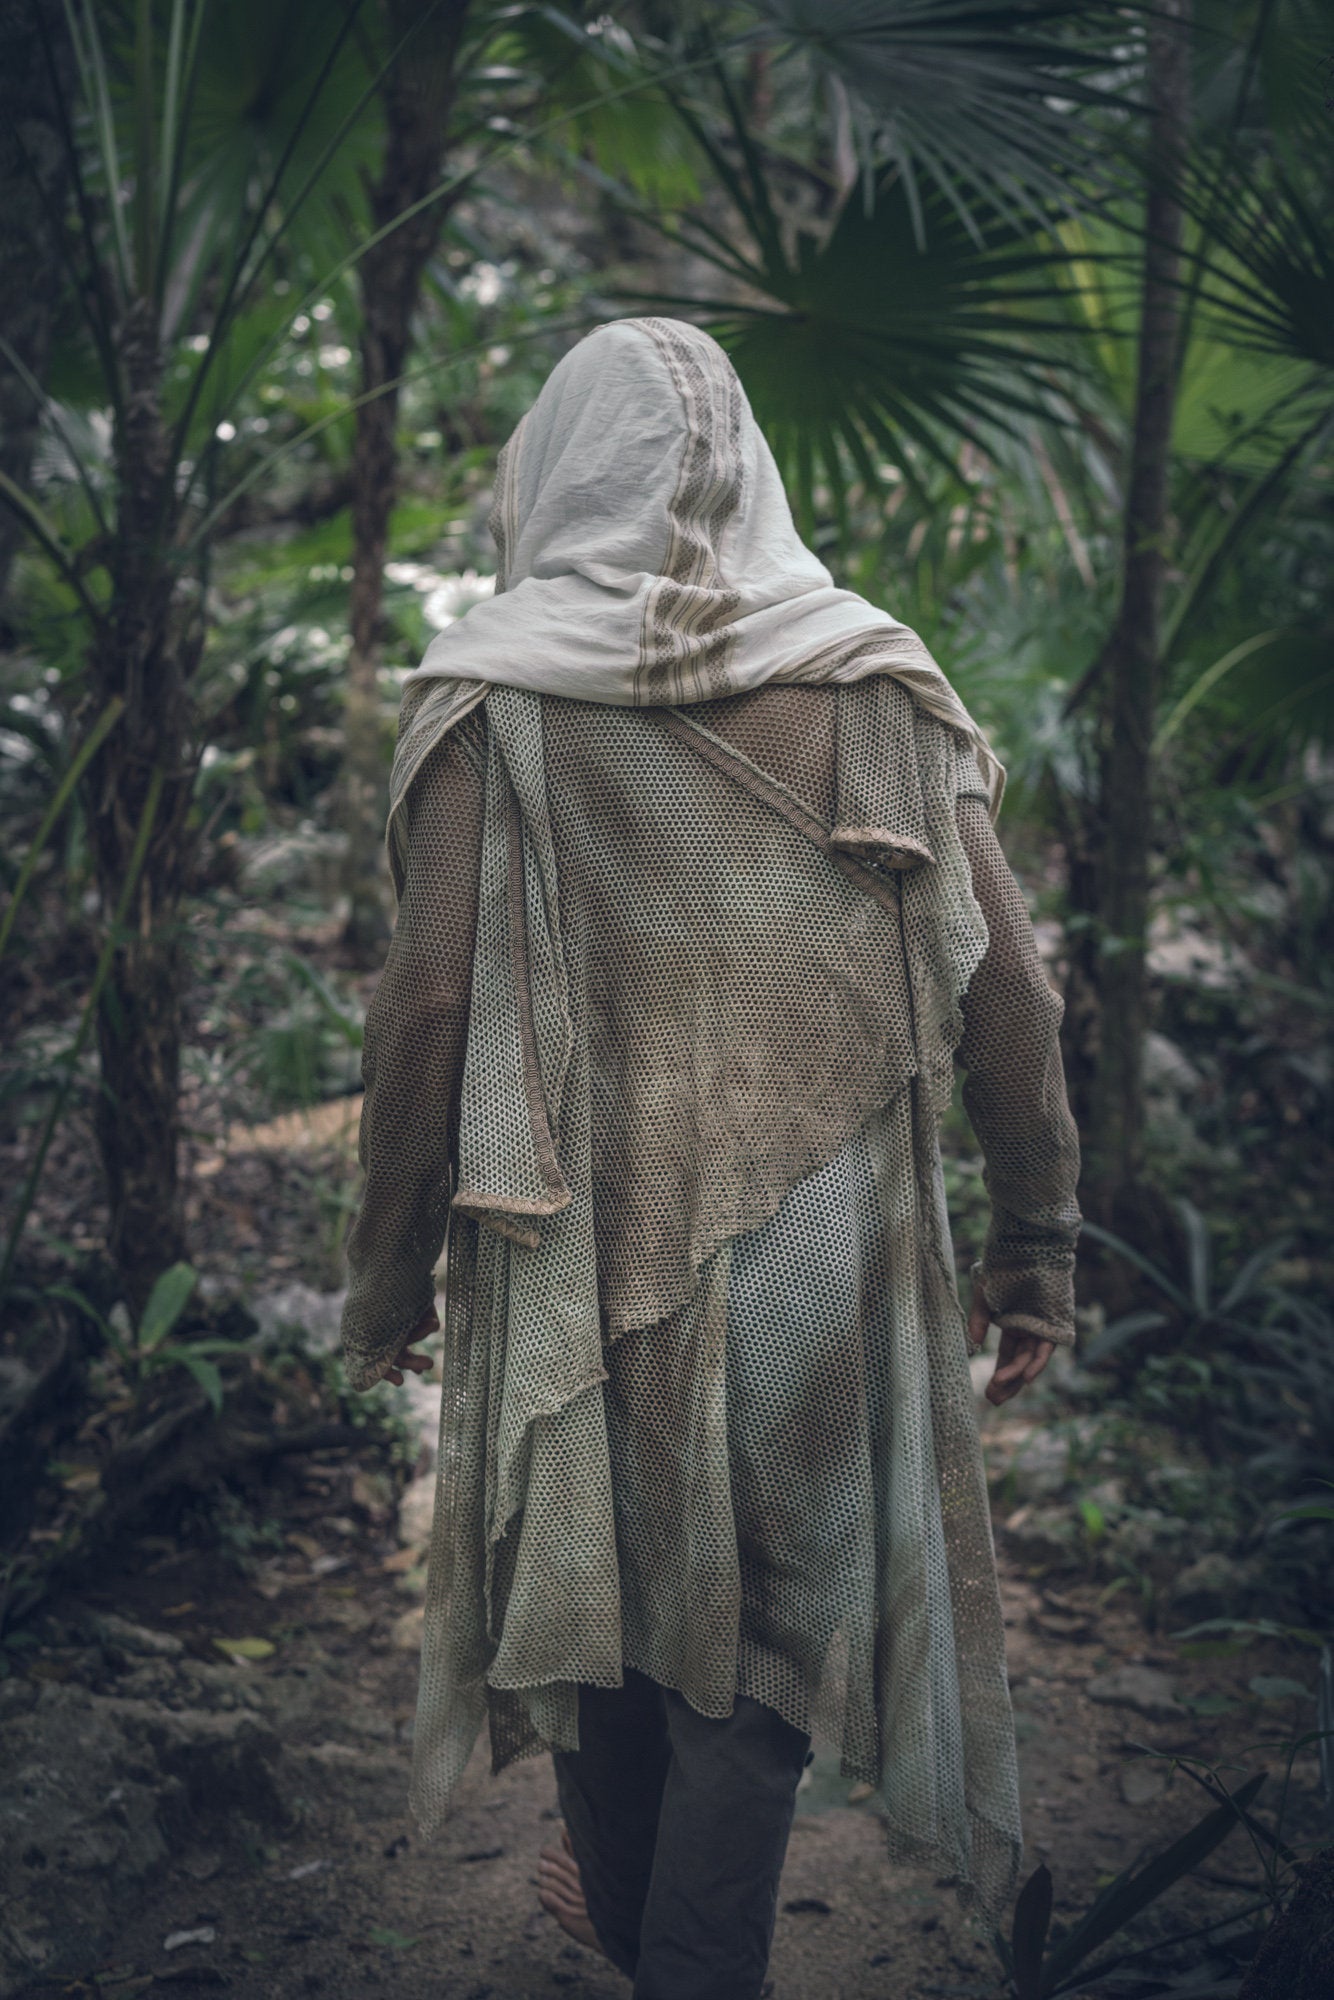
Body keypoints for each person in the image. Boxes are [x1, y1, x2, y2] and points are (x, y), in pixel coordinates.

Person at [340, 317, 1080, 2000]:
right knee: (757, 1650)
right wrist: (1037, 1242)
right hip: (823, 1238)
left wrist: (385, 1277)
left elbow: (432, 999)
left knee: (599, 1605)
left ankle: (663, 1934)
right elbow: (1013, 993)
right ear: (747, 467)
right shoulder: (875, 684)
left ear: (554, 474)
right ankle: (678, 1939)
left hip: (578, 1239)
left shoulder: (497, 696)